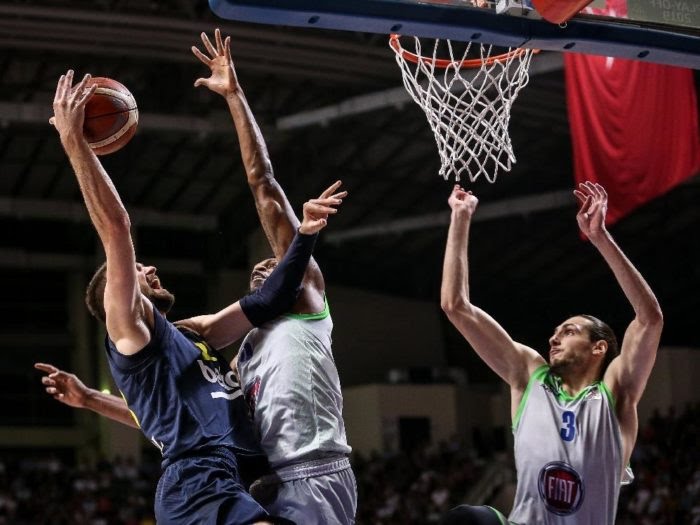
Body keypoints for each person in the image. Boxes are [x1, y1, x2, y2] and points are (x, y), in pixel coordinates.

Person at [46, 68, 345, 525]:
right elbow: (117, 231)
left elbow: (270, 300)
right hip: (200, 480)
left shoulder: (191, 335)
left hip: (236, 476)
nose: (146, 269)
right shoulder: (128, 328)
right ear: (115, 295)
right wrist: (75, 143)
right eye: (134, 272)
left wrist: (303, 235)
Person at [190, 29, 357, 524]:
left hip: (317, 472)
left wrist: (235, 97)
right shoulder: (242, 349)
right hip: (263, 478)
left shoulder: (304, 298)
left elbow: (262, 184)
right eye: (257, 270)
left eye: (274, 263)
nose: (265, 265)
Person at [439, 182, 663, 525]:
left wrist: (600, 237)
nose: (554, 339)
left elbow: (649, 320)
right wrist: (460, 218)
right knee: (470, 519)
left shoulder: (615, 395)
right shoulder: (530, 375)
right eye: (555, 333)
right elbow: (456, 306)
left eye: (569, 331)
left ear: (598, 348)